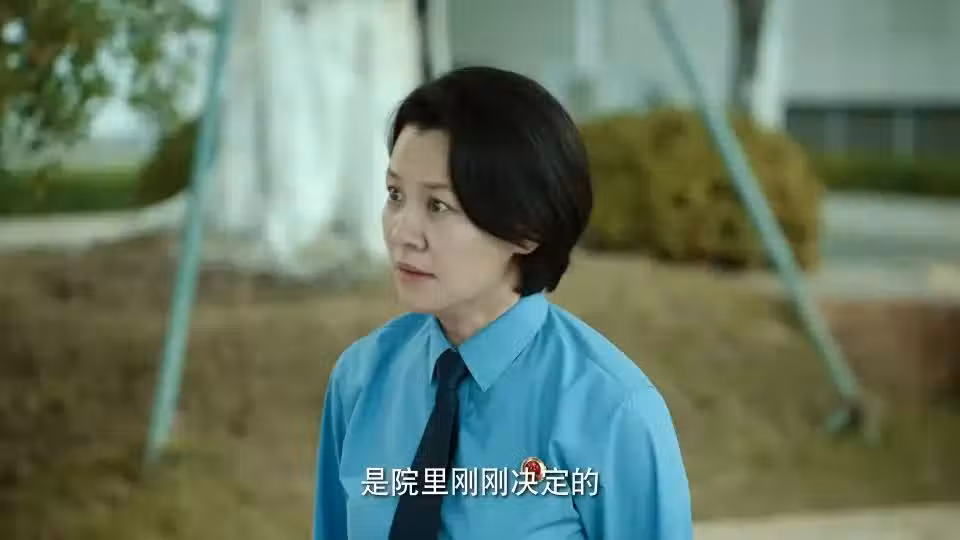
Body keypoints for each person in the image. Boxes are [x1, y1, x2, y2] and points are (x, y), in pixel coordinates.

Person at [312, 66, 693, 540]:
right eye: (395, 195)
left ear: (526, 228)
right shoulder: (360, 381)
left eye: (437, 205)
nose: (401, 232)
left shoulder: (612, 413)